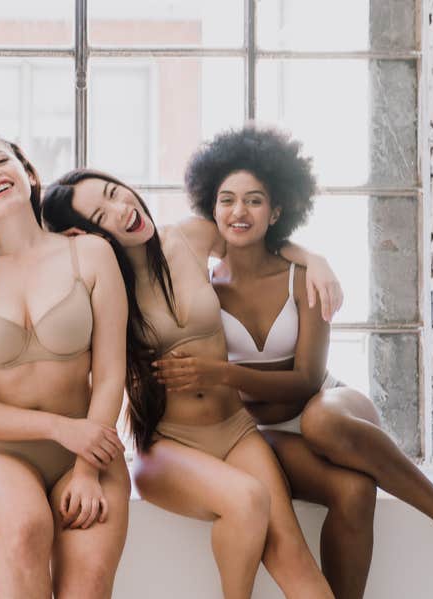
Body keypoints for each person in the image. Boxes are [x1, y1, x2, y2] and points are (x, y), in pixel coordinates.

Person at [155, 125, 433, 595]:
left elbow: (305, 380)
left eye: (254, 200)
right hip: (259, 432)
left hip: (325, 403)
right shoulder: (203, 291)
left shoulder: (304, 277)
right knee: (354, 492)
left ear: (276, 209)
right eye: (227, 199)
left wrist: (221, 373)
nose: (239, 211)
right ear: (211, 208)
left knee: (322, 422)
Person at [42, 168, 340, 599]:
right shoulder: (99, 284)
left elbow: (258, 241)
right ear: (84, 233)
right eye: (102, 214)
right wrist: (83, 467)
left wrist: (315, 259)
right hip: (169, 444)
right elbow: (96, 380)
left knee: (294, 558)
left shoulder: (193, 236)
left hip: (236, 429)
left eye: (115, 193)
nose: (122, 209)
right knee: (246, 500)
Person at [0, 128, 130, 599]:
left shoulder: (90, 254)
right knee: (25, 527)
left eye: (0, 160)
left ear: (27, 173)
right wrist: (60, 428)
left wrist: (86, 468)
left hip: (89, 449)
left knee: (89, 585)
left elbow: (111, 372)